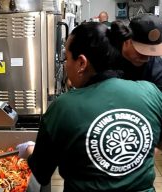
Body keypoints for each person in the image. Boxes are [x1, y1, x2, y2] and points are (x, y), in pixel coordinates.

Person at [17, 22, 162, 191]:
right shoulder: (151, 92)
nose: (65, 64)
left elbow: (41, 174)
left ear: (81, 63)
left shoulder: (63, 107)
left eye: (67, 58)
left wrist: (29, 150)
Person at [109, 14, 162, 91]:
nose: (146, 58)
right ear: (127, 40)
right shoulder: (109, 54)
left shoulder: (157, 67)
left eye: (151, 53)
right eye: (141, 52)